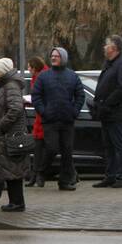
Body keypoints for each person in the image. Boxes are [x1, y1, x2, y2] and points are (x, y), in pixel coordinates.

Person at [31, 47, 84, 190]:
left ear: (64, 58)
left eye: (57, 56)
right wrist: (44, 111)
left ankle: (65, 181)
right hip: (50, 120)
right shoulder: (44, 76)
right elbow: (36, 96)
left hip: (67, 120)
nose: (53, 58)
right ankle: (41, 172)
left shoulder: (72, 76)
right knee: (52, 148)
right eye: (52, 56)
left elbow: (80, 95)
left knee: (67, 151)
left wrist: (74, 111)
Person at [90, 35, 122, 188]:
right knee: (108, 146)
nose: (104, 47)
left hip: (116, 113)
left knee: (119, 145)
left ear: (114, 48)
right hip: (106, 113)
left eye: (106, 45)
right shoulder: (109, 64)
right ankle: (110, 175)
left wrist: (107, 103)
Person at [0, 58, 32, 211]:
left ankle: (18, 203)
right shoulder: (8, 85)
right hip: (7, 135)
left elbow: (15, 108)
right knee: (11, 169)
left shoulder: (10, 86)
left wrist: (1, 125)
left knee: (14, 169)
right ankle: (15, 201)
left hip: (10, 135)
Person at [27, 56, 47, 187]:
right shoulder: (37, 78)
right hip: (40, 116)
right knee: (38, 147)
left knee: (44, 147)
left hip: (44, 116)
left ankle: (38, 174)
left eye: (29, 67)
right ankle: (36, 174)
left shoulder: (43, 78)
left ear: (34, 68)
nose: (28, 69)